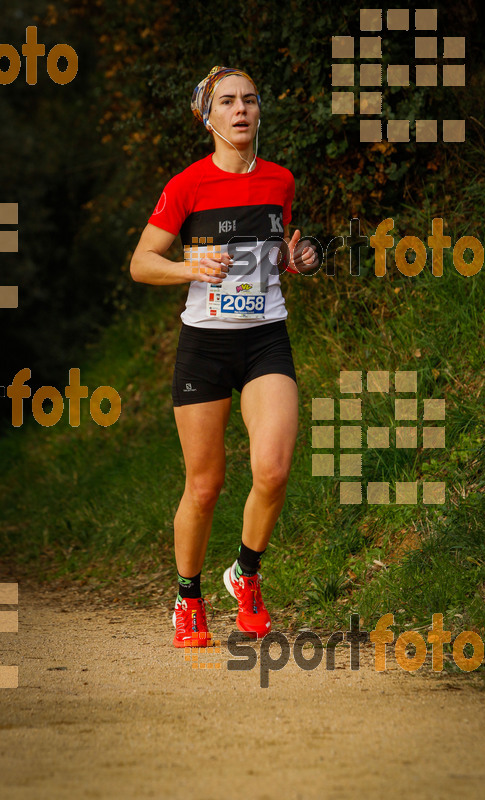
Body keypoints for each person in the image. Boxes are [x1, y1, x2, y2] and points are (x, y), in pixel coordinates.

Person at [130, 65, 318, 648]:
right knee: (205, 485)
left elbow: (274, 251)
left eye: (250, 100)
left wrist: (295, 257)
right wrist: (191, 267)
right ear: (206, 116)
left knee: (274, 469)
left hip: (265, 337)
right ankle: (188, 597)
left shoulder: (281, 181)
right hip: (206, 345)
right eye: (227, 102)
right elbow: (141, 262)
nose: (240, 110)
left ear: (259, 112)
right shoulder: (186, 185)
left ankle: (246, 574)